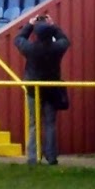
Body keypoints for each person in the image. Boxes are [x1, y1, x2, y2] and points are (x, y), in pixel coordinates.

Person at [15, 12, 71, 165]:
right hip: (51, 89)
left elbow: (18, 39)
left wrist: (30, 25)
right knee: (50, 124)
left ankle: (32, 157)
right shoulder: (56, 48)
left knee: (33, 123)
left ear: (36, 34)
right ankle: (51, 157)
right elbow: (65, 40)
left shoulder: (30, 49)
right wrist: (53, 26)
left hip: (33, 89)